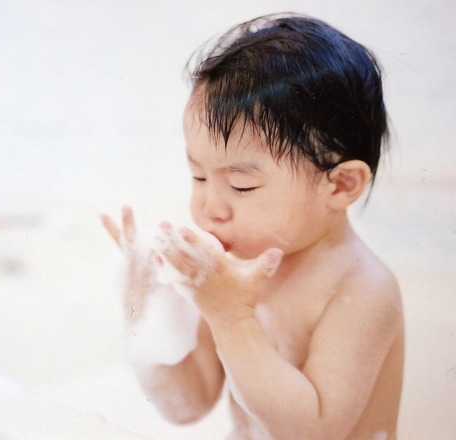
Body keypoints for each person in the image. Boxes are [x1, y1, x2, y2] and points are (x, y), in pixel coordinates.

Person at [101, 13, 404, 440]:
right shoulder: (232, 269)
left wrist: (232, 317)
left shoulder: (362, 288)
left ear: (340, 185)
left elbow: (314, 430)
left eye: (241, 185)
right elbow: (189, 404)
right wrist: (144, 310)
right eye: (199, 176)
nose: (209, 206)